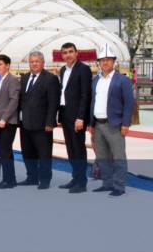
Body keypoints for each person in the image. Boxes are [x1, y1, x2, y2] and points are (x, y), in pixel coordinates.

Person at [89, 44, 134, 197]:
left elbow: (129, 103)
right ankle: (107, 183)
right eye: (102, 60)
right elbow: (93, 102)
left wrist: (126, 124)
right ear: (99, 63)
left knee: (118, 156)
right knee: (102, 157)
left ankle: (119, 186)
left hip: (114, 125)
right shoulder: (96, 80)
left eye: (108, 59)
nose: (105, 62)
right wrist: (91, 124)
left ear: (114, 61)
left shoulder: (122, 80)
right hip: (98, 124)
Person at [18, 50, 59, 189]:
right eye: (32, 62)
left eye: (37, 61)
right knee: (27, 152)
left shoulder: (50, 79)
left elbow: (53, 102)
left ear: (43, 63)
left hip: (42, 124)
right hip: (25, 123)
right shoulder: (24, 78)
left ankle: (45, 179)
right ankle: (32, 177)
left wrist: (50, 122)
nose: (34, 64)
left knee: (44, 154)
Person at [57, 42, 93, 192]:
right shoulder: (63, 70)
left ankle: (82, 182)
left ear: (76, 53)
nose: (68, 55)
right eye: (65, 53)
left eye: (71, 52)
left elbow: (86, 95)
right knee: (70, 149)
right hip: (65, 113)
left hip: (77, 116)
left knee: (78, 149)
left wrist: (80, 117)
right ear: (62, 55)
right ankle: (75, 178)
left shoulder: (83, 69)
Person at [0, 55, 21, 189]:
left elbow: (14, 101)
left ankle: (8, 180)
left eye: (0, 64)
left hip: (9, 121)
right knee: (5, 151)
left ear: (7, 65)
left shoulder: (12, 80)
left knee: (4, 150)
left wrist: (4, 118)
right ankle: (11, 179)